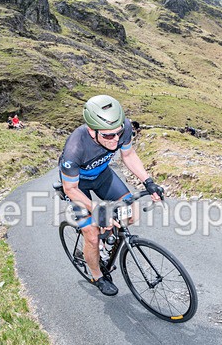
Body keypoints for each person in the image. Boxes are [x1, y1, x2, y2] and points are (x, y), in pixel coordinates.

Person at [59, 95, 164, 296]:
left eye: (118, 133)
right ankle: (97, 275)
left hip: (103, 176)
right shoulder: (75, 148)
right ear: (92, 131)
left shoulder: (121, 127)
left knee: (132, 213)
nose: (116, 139)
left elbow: (128, 155)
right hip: (78, 185)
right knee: (91, 232)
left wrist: (148, 182)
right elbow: (70, 189)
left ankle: (107, 233)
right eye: (108, 136)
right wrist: (98, 210)